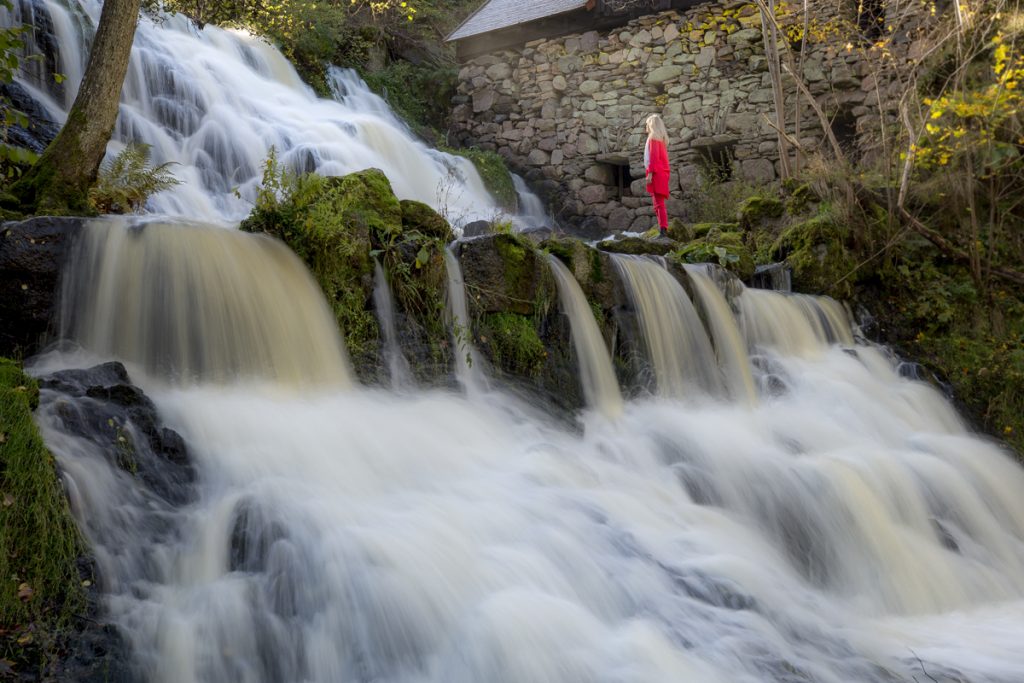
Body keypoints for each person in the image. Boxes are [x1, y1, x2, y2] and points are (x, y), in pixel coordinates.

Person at [643, 113, 671, 237]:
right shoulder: (661, 139)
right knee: (658, 204)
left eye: (647, 124)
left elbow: (654, 158)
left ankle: (663, 231)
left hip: (656, 173)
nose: (646, 127)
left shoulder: (653, 138)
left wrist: (650, 174)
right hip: (662, 172)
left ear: (651, 125)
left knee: (658, 204)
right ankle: (662, 229)